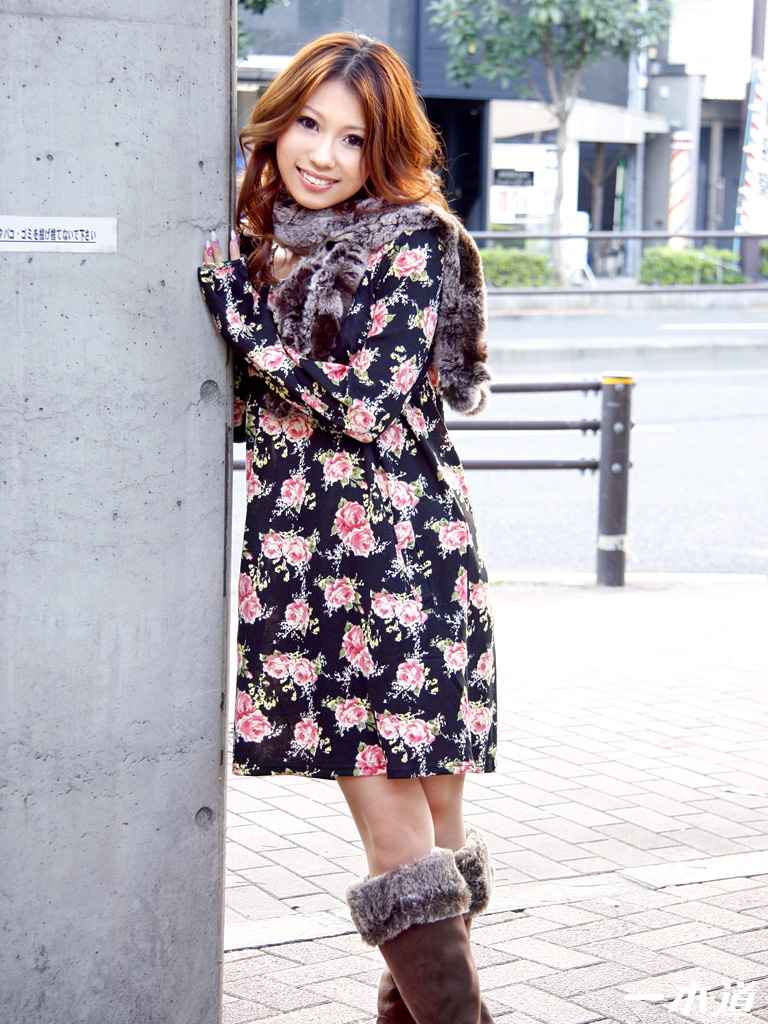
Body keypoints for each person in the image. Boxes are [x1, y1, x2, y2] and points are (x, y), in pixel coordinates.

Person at [198, 30, 498, 1024]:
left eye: (353, 139)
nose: (323, 155)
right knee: (419, 833)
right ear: (276, 124)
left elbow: (364, 404)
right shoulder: (267, 247)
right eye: (308, 125)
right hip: (313, 560)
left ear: (386, 150)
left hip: (397, 562)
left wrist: (241, 319)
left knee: (418, 822)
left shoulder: (412, 240)